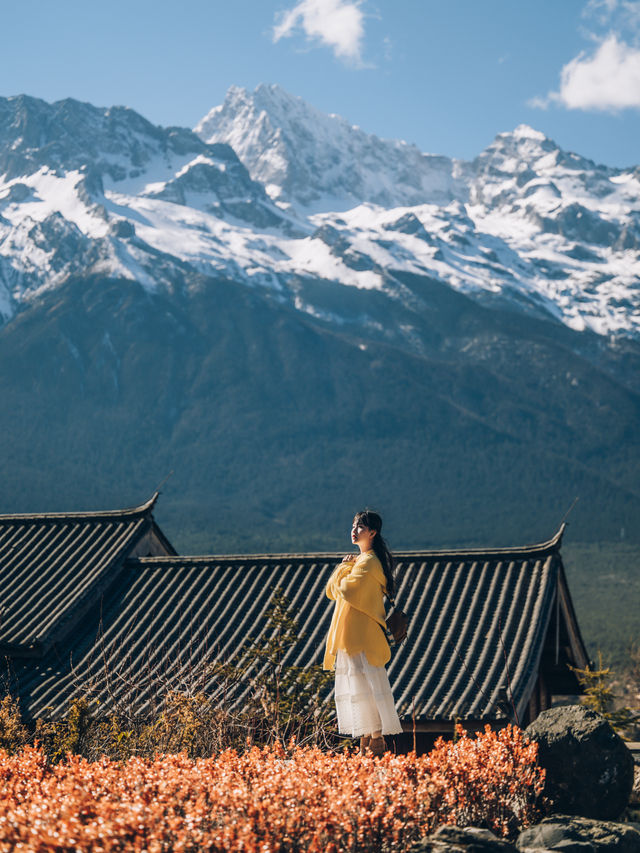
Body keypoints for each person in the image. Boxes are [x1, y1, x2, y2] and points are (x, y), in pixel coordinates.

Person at [323, 510, 403, 755]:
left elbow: (345, 590)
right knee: (361, 687)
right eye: (353, 526)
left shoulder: (368, 562)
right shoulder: (362, 561)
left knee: (368, 687)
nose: (354, 531)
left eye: (360, 527)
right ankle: (368, 741)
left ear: (373, 532)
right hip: (353, 636)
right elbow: (331, 591)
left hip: (363, 636)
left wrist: (343, 568)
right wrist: (345, 568)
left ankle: (375, 740)